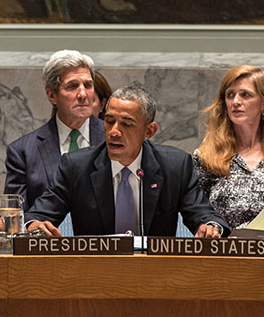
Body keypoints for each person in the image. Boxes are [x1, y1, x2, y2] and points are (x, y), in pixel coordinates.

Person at [27, 85, 226, 237]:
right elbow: (39, 213)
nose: (114, 131)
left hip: (156, 275)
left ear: (149, 131)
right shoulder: (76, 166)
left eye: (126, 124)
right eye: (109, 121)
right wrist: (34, 224)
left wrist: (209, 227)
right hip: (93, 273)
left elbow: (203, 214)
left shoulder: (175, 166)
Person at [193, 66, 264, 230]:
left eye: (245, 95)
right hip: (225, 252)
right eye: (230, 95)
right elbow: (197, 217)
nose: (236, 102)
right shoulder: (206, 156)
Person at [4, 50, 104, 210]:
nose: (83, 94)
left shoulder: (115, 139)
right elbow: (17, 216)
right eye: (73, 86)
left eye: (88, 85)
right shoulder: (23, 151)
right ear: (52, 95)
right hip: (48, 234)